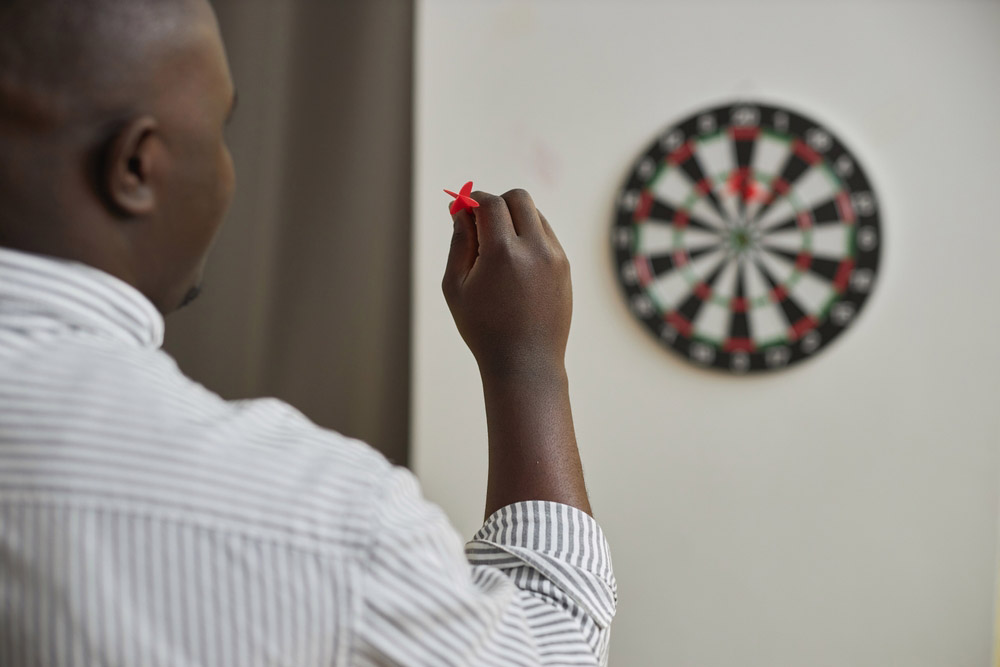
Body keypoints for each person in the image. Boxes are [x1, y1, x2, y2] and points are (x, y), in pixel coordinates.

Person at [0, 0, 616, 664]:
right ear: (136, 167)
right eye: (219, 132)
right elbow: (556, 648)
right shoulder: (321, 523)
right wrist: (527, 365)